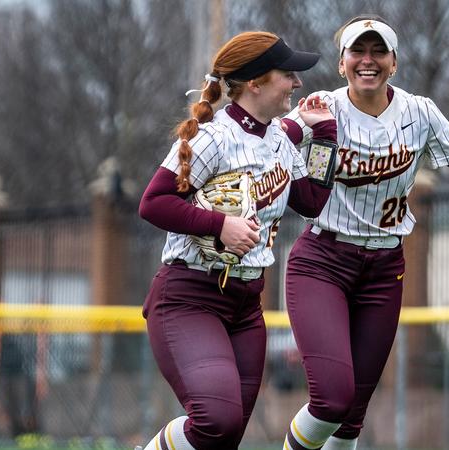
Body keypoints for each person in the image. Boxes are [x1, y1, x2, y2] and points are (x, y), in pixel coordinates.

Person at [279, 16, 449, 450]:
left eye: (378, 51)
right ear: (342, 63)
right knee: (332, 398)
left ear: (394, 62)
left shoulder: (419, 112)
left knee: (352, 415)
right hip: (323, 261)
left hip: (384, 268)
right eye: (356, 52)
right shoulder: (323, 106)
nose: (368, 60)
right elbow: (267, 147)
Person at [137, 31, 337, 450]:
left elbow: (313, 201)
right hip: (189, 296)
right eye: (287, 74)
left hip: (246, 305)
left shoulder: (279, 139)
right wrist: (218, 224)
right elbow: (153, 203)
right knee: (216, 418)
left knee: (224, 437)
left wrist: (326, 136)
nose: (297, 82)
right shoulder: (212, 136)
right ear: (255, 83)